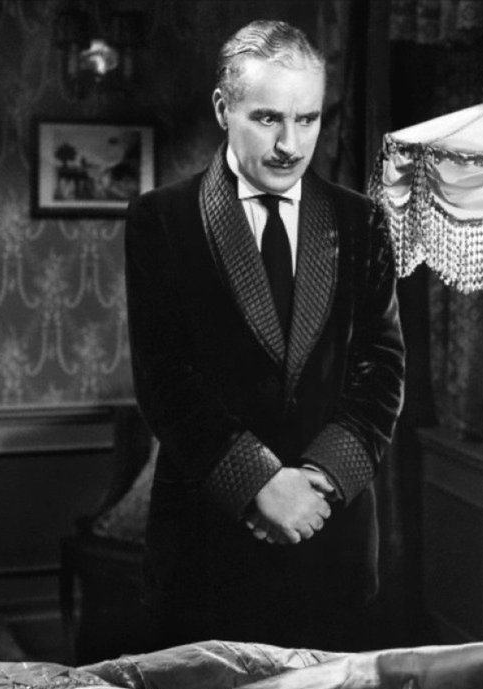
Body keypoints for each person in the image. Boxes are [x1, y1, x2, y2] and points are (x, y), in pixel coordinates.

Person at [125, 20, 404, 652]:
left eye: (308, 119)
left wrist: (316, 481)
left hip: (329, 538)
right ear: (222, 109)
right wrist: (260, 485)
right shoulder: (161, 219)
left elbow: (382, 369)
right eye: (268, 118)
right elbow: (165, 381)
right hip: (206, 548)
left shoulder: (361, 221)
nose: (289, 144)